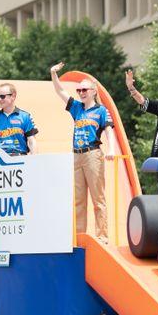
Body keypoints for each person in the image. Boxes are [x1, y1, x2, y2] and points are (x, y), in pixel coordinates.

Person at [50, 63, 115, 243]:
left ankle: (102, 236)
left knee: (98, 198)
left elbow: (110, 130)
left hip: (92, 154)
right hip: (76, 155)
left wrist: (111, 149)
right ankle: (79, 237)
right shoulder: (77, 108)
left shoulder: (101, 110)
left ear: (94, 91)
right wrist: (54, 74)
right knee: (79, 200)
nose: (81, 93)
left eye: (84, 89)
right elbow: (60, 92)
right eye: (79, 90)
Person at [0, 82, 38, 157]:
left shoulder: (25, 116)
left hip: (21, 158)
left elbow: (32, 141)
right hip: (1, 160)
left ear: (13, 96)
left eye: (2, 96)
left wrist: (34, 159)